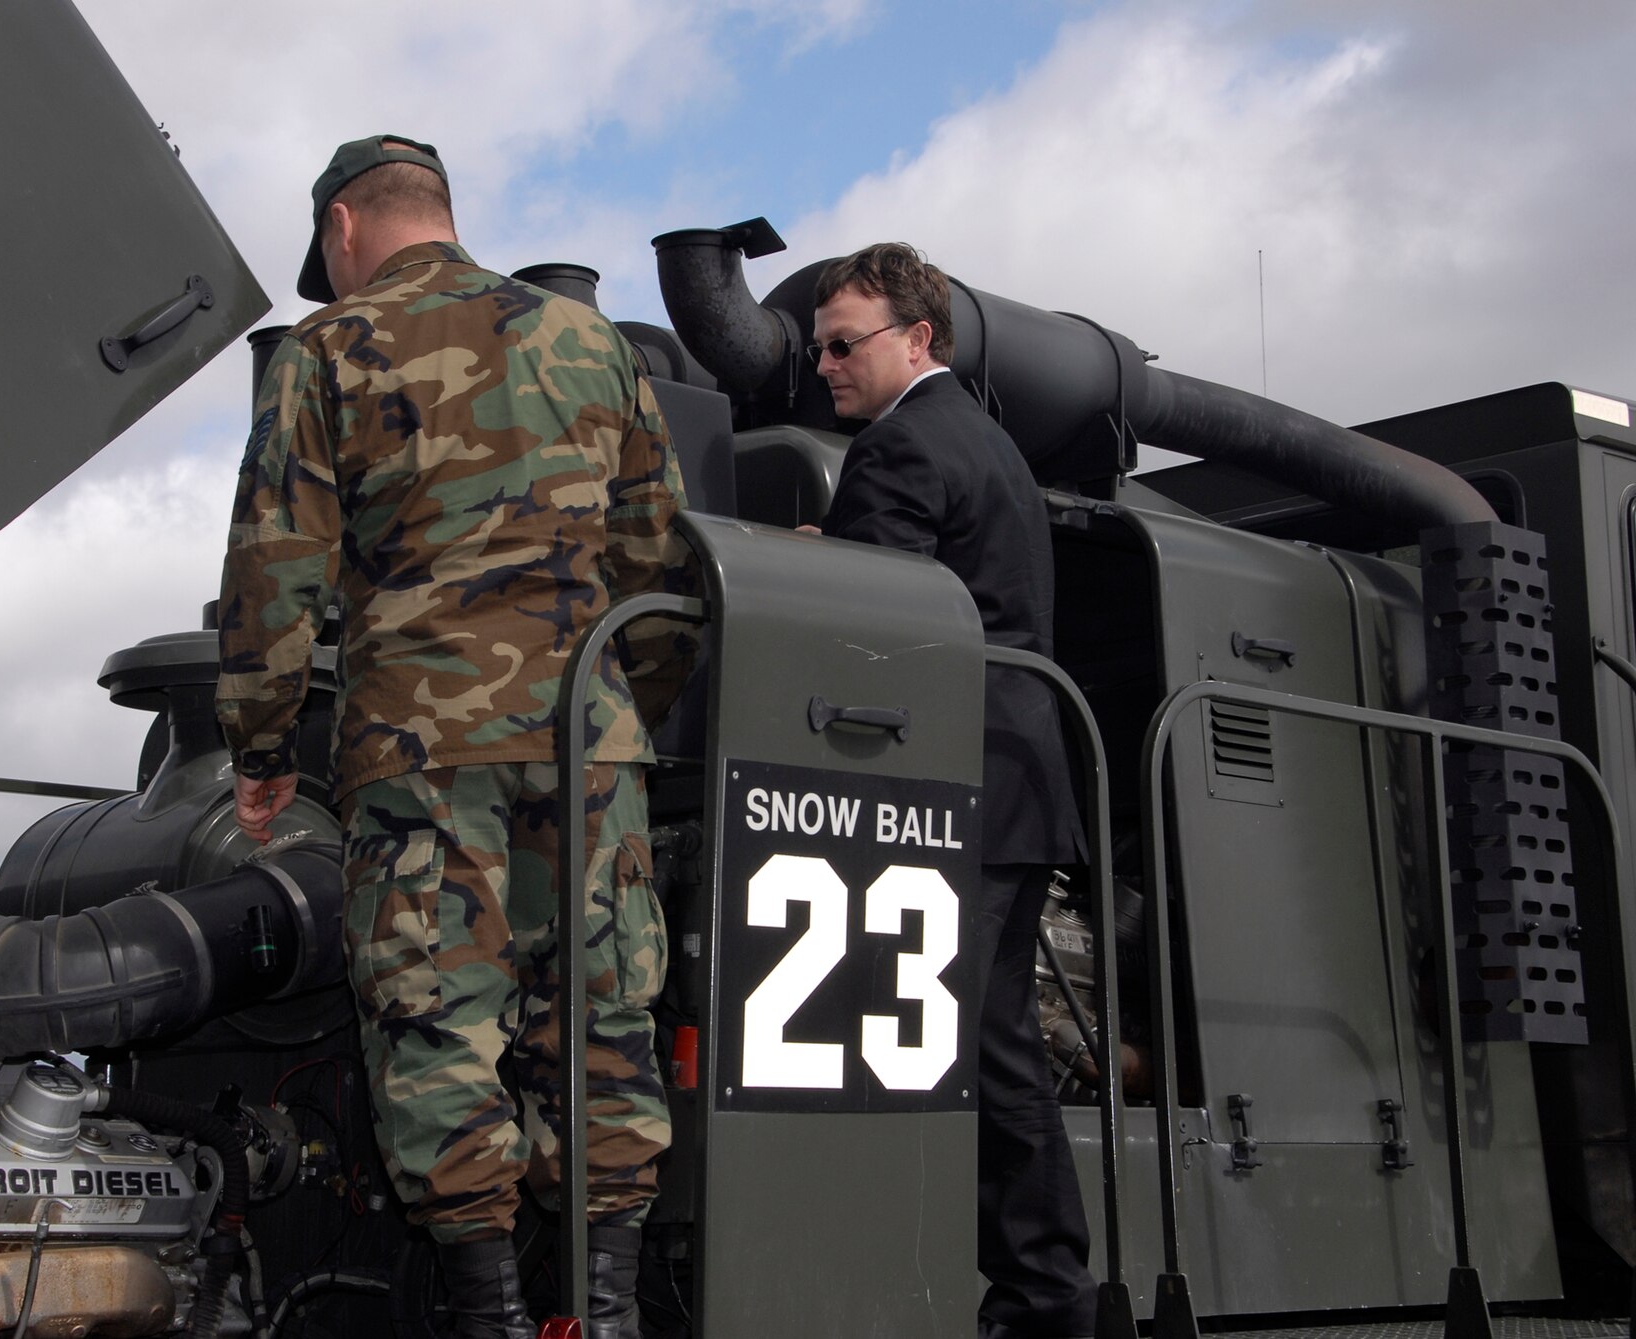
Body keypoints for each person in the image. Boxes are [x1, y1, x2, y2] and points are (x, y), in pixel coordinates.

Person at [215, 134, 697, 1339]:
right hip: (589, 752)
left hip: (421, 759)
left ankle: (485, 1316)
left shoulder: (327, 348)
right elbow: (660, 560)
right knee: (601, 1021)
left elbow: (274, 574)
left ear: (341, 230)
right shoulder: (596, 345)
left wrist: (261, 751)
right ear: (437, 210)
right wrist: (623, 713)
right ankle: (605, 1312)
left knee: (437, 1023)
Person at [812, 243, 1096, 1339]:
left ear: (916, 338)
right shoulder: (984, 443)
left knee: (981, 1044)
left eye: (844, 344)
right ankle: (1036, 1295)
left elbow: (877, 633)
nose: (825, 366)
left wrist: (811, 574)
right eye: (818, 348)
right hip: (1010, 783)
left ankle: (1041, 1302)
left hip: (952, 791)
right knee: (991, 1038)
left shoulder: (896, 451)